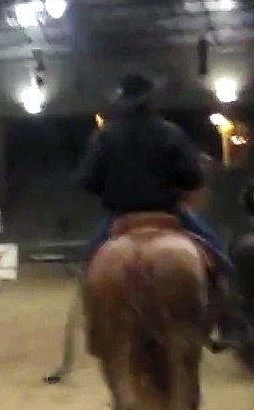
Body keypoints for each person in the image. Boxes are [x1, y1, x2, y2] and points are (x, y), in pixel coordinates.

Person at [75, 72, 240, 351]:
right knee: (220, 255)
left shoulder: (104, 137)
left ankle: (97, 331)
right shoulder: (171, 132)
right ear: (152, 100)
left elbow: (85, 180)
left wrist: (110, 188)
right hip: (167, 213)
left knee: (88, 266)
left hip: (121, 217)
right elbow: (193, 178)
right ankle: (229, 324)